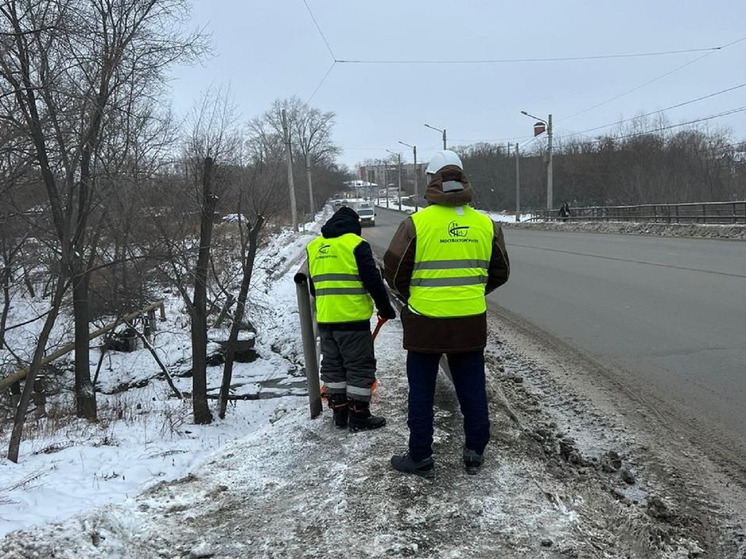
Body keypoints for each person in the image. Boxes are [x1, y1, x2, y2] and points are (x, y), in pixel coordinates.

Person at [384, 150, 510, 477]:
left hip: (425, 323)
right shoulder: (486, 225)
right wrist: (469, 293)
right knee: (472, 387)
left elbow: (394, 271)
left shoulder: (416, 224)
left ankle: (421, 456)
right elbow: (501, 272)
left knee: (422, 392)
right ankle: (474, 452)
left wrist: (414, 296)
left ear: (432, 181)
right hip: (469, 323)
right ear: (461, 179)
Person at [307, 206, 397, 432]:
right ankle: (359, 417)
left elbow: (313, 288)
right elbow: (373, 282)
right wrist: (385, 308)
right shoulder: (356, 245)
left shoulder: (314, 247)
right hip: (353, 322)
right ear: (354, 225)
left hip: (326, 320)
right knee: (358, 367)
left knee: (333, 366)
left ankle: (339, 415)